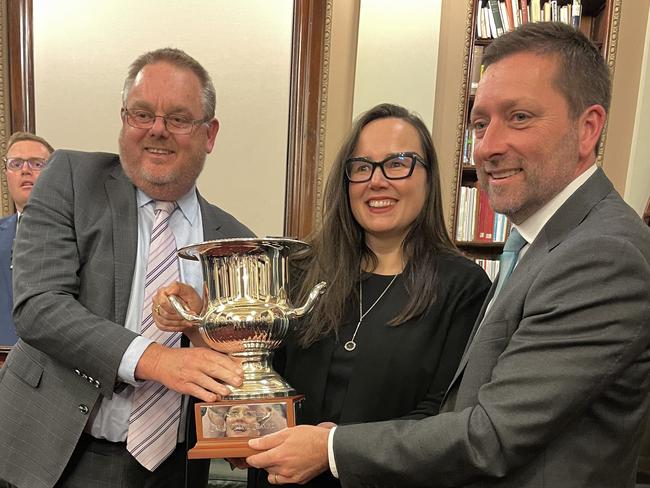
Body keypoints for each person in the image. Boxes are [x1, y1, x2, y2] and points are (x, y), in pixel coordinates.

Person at [244, 22, 650, 488]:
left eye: (519, 117)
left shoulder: (602, 254)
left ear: (588, 128)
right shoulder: (540, 244)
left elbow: (489, 433)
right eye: (481, 124)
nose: (490, 146)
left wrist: (331, 448)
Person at [154, 103, 491, 487]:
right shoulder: (301, 269)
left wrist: (334, 448)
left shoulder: (464, 287)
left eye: (398, 163)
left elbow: (446, 417)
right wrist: (201, 325)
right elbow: (259, 372)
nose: (376, 181)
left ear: (428, 177)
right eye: (361, 167)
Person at [0, 48, 254, 488]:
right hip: (57, 454)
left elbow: (241, 357)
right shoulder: (71, 178)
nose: (157, 129)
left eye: (178, 118)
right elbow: (39, 306)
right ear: (124, 121)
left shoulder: (234, 240)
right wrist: (157, 360)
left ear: (209, 134)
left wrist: (202, 333)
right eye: (142, 114)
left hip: (176, 466)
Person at [0, 132, 53, 347]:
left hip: (56, 365)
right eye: (16, 163)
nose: (25, 170)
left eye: (36, 163)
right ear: (6, 174)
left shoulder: (81, 236)